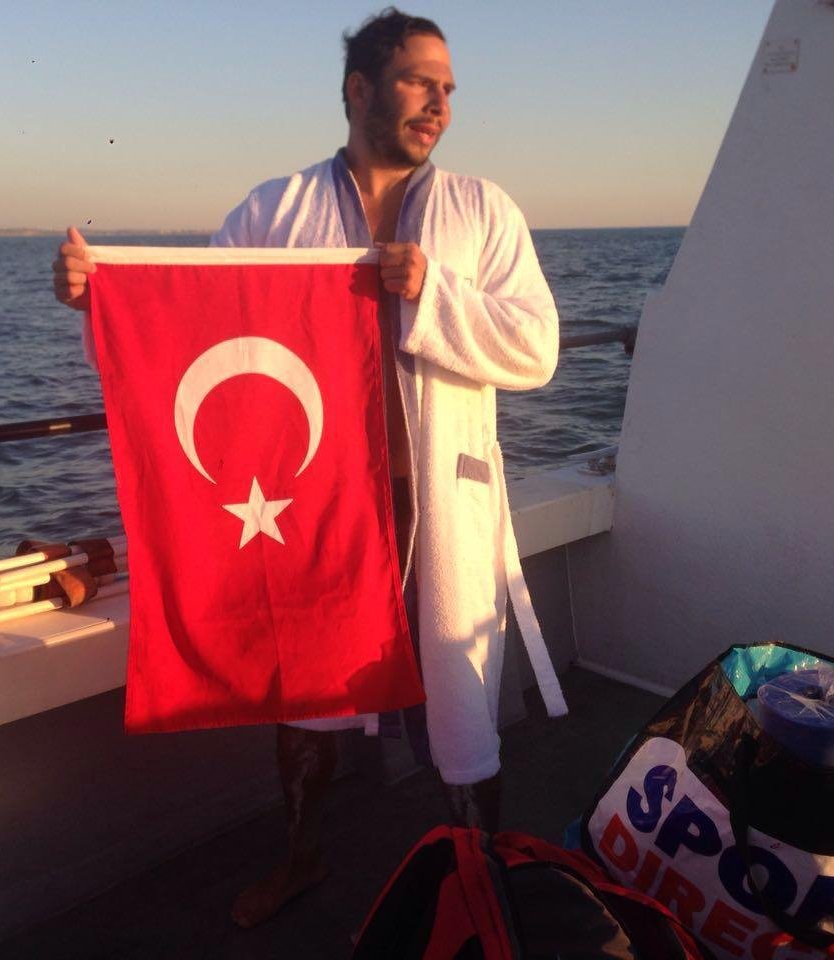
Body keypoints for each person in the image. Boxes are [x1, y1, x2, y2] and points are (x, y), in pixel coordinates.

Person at [52, 8, 561, 929]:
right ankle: (302, 857)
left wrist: (434, 294)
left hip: (441, 502)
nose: (440, 104)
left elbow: (537, 348)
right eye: (419, 82)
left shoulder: (484, 211)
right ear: (359, 89)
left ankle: (479, 878)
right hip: (318, 501)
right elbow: (198, 326)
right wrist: (101, 298)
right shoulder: (273, 212)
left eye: (449, 88)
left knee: (462, 698)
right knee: (307, 689)